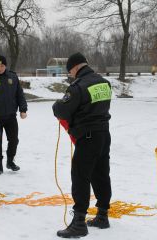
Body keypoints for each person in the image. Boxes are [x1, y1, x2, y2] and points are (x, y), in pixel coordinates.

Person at [52, 52, 112, 238]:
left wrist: (57, 103)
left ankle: (79, 222)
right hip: (104, 134)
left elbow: (61, 109)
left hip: (87, 137)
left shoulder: (78, 86)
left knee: (80, 176)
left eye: (70, 71)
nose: (70, 74)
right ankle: (102, 215)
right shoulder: (104, 82)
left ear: (76, 67)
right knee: (101, 174)